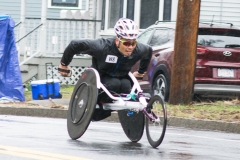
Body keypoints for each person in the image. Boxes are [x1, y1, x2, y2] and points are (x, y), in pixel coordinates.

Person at [58, 18, 152, 121]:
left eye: (133, 43)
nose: (130, 47)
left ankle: (124, 109)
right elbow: (74, 44)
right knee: (115, 84)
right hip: (100, 77)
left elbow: (148, 52)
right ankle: (98, 106)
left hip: (122, 76)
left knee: (126, 85)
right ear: (117, 41)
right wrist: (64, 64)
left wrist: (140, 72)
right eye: (126, 43)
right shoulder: (101, 46)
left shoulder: (139, 49)